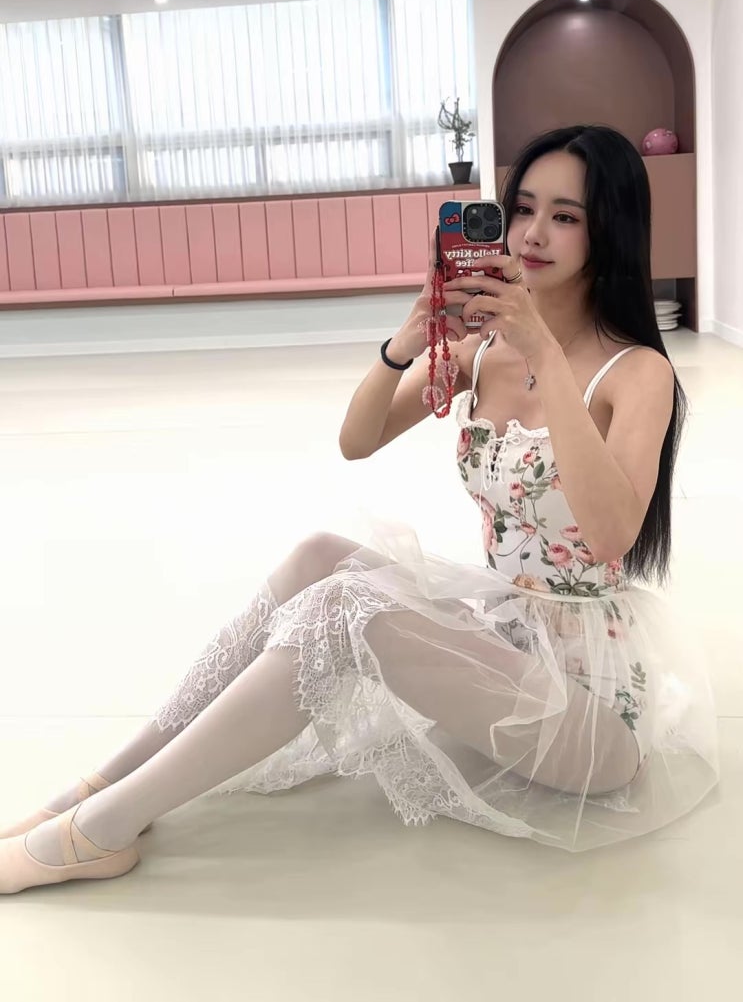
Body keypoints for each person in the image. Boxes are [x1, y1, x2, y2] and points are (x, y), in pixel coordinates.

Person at [0, 124, 718, 892]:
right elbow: (357, 439)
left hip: (591, 713)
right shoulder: (483, 352)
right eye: (523, 209)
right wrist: (407, 339)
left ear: (608, 229)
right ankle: (104, 783)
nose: (532, 234)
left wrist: (544, 350)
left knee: (346, 604)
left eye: (564, 216)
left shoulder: (633, 373)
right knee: (320, 553)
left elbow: (609, 534)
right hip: (503, 637)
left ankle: (97, 832)